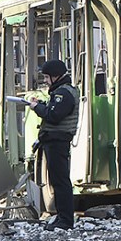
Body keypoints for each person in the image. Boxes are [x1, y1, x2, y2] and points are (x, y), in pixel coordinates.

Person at [29, 59, 80, 231]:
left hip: (57, 141)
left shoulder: (63, 94)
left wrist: (37, 107)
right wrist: (42, 105)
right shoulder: (61, 92)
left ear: (56, 76)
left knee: (60, 182)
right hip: (54, 141)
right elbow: (53, 110)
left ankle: (65, 220)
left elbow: (54, 115)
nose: (45, 80)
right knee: (57, 181)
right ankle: (61, 217)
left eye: (47, 77)